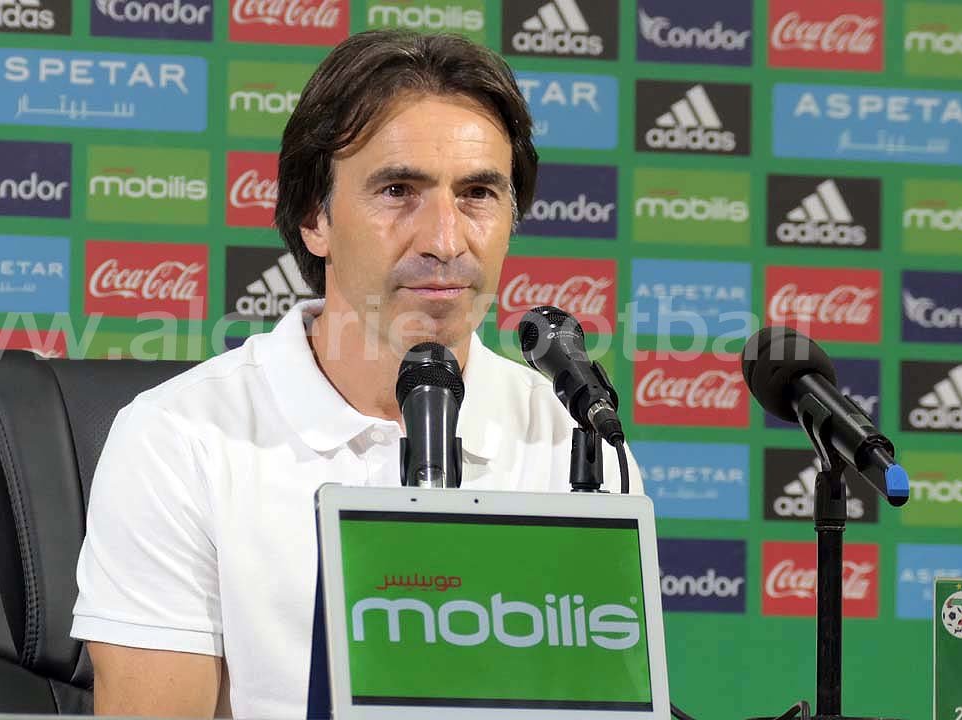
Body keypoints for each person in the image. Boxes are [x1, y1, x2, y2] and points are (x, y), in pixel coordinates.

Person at [71, 29, 641, 719]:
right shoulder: (178, 439)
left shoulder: (571, 435)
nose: (445, 241)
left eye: (477, 193)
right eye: (398, 190)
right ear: (315, 218)